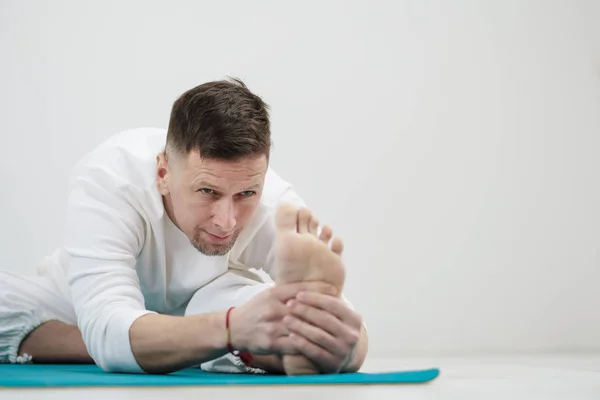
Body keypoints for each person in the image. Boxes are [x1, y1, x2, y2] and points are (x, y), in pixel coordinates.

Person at [0, 78, 368, 375]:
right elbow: (108, 315)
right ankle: (204, 349)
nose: (227, 220)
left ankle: (218, 342)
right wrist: (230, 330)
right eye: (207, 191)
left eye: (246, 194)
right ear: (163, 173)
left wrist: (345, 349)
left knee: (263, 309)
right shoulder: (110, 178)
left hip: (214, 305)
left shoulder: (277, 205)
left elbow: (353, 332)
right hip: (77, 305)